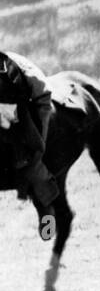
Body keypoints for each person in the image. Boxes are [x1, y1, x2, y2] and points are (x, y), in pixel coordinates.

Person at [0, 49, 59, 206]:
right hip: (13, 101)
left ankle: (47, 195)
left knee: (34, 152)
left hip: (38, 100)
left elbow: (14, 106)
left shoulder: (7, 67)